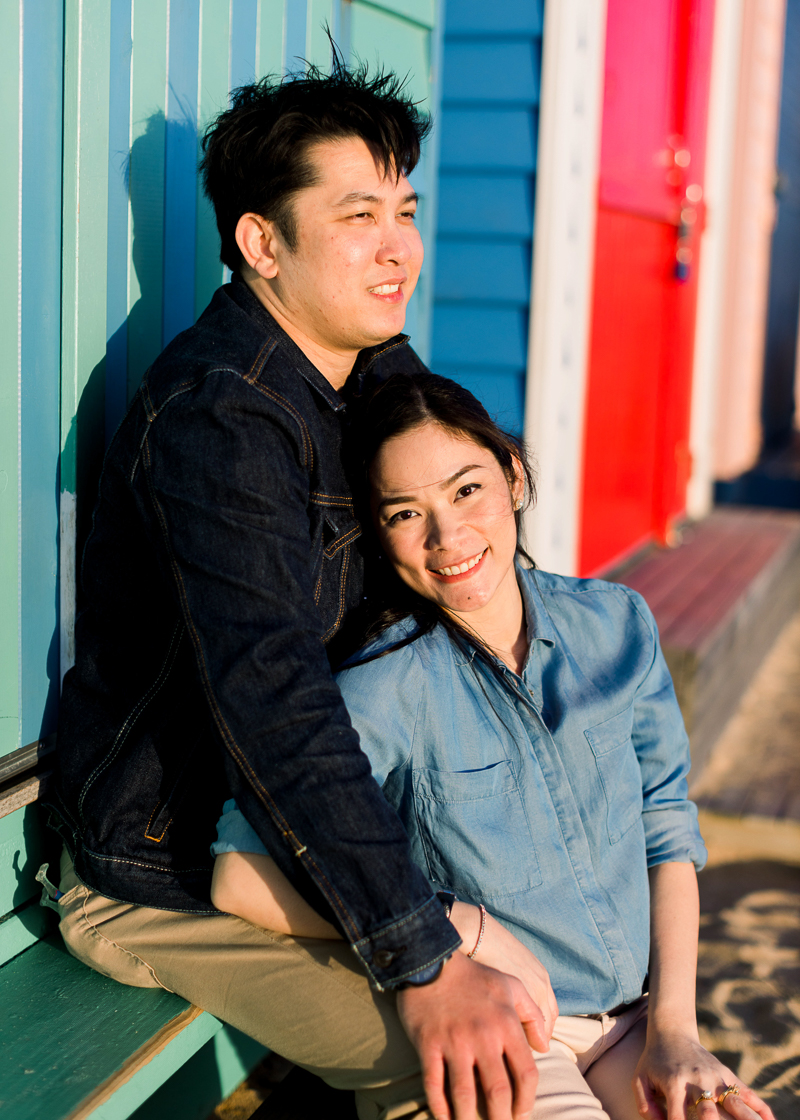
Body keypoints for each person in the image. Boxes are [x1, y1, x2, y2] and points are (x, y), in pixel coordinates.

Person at [49, 62, 545, 1120]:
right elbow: (275, 695)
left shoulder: (370, 368)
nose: (398, 247)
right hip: (165, 871)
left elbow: (481, 561)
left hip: (301, 839)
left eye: (404, 211)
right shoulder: (219, 417)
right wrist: (420, 956)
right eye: (358, 216)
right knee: (472, 1064)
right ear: (261, 243)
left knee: (566, 971)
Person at [209, 373, 776, 1120]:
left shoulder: (617, 624)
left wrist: (675, 1031)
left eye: (467, 490)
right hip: (510, 1026)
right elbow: (240, 876)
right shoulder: (385, 687)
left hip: (641, 1019)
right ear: (378, 532)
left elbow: (666, 829)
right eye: (406, 513)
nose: (447, 538)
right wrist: (452, 927)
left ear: (513, 476)